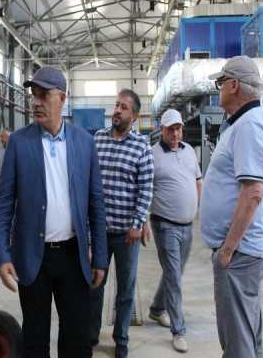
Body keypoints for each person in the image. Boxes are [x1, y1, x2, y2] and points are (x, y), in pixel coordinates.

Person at [0, 66, 108, 358]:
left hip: (73, 256)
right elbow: (3, 204)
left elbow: (96, 203)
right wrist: (2, 255)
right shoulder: (19, 142)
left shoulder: (84, 143)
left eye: (44, 95)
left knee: (77, 341)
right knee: (35, 340)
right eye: (34, 95)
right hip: (33, 258)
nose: (36, 102)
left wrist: (100, 256)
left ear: (63, 98)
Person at [201, 56, 263, 358]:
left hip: (239, 254)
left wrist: (227, 250)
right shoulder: (244, 123)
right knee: (246, 334)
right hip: (242, 252)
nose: (219, 89)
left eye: (221, 83)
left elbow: (252, 193)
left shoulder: (250, 126)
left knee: (237, 343)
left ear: (233, 85)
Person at [90, 88, 154, 358]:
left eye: (123, 107)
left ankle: (122, 339)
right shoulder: (98, 139)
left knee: (126, 290)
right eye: (116, 105)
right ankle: (91, 334)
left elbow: (146, 189)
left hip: (128, 234)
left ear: (134, 116)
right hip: (100, 232)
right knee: (95, 284)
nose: (117, 110)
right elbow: (89, 182)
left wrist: (138, 223)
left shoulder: (141, 146)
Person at [148, 108, 202, 353]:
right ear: (162, 129)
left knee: (175, 273)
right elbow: (145, 189)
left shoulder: (189, 151)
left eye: (178, 128)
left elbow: (198, 180)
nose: (175, 133)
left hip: (188, 224)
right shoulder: (152, 155)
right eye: (170, 129)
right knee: (173, 276)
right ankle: (178, 331)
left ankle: (157, 309)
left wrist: (197, 207)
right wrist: (142, 222)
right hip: (164, 224)